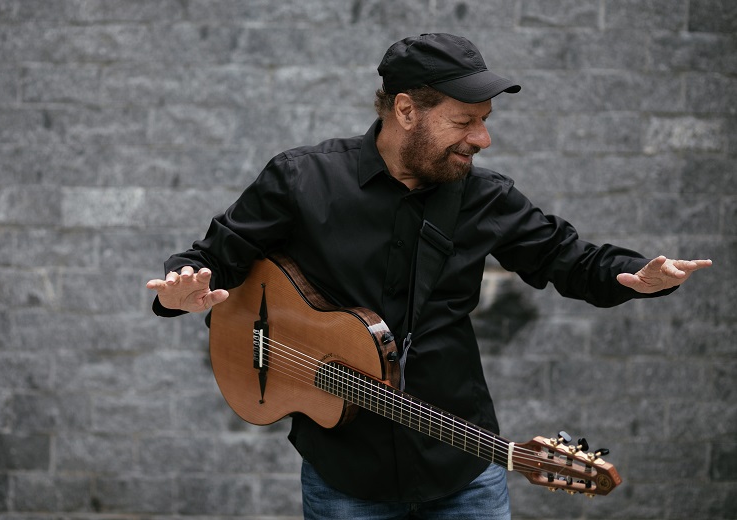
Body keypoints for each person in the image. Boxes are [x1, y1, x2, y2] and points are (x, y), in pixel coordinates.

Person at [146, 33, 712, 520]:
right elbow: (214, 257)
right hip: (345, 474)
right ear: (406, 109)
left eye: (485, 122)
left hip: (462, 465)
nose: (481, 139)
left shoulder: (487, 198)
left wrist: (634, 273)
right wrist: (183, 288)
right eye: (465, 122)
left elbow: (570, 259)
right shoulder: (302, 179)